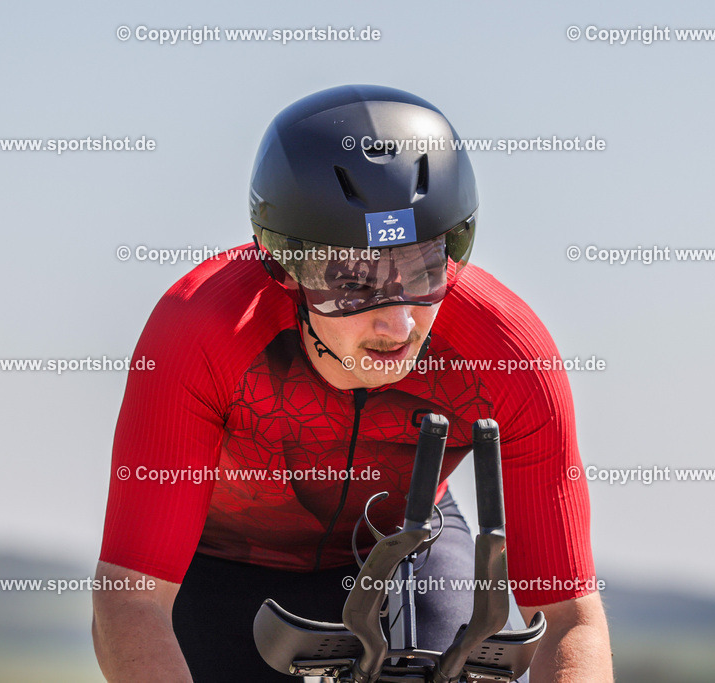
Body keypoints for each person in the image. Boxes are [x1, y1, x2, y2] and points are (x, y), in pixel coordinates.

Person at [91, 84, 613, 682]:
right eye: (352, 283)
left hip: (405, 545)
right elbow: (129, 600)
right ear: (285, 266)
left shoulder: (511, 358)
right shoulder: (201, 332)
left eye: (423, 269)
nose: (397, 322)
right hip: (225, 566)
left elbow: (571, 617)